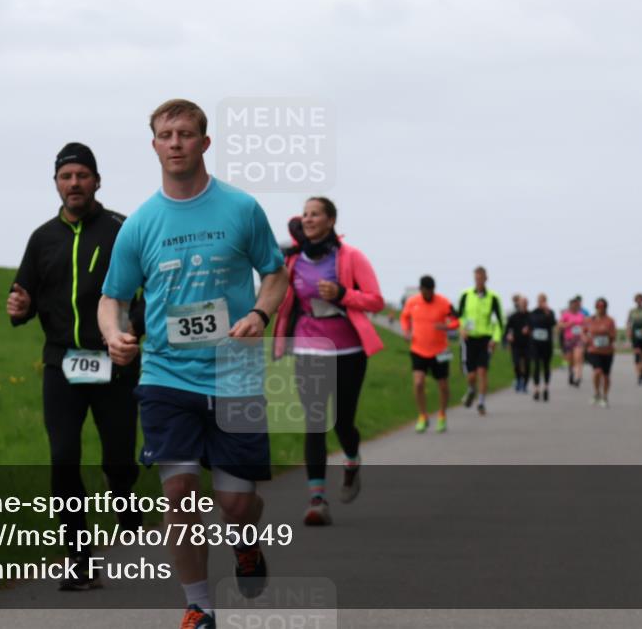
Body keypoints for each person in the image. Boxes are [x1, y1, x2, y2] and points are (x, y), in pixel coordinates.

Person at [98, 99, 288, 629]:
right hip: (165, 375)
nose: (176, 142)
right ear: (154, 145)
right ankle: (198, 605)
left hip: (235, 374)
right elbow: (111, 297)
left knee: (234, 505)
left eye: (186, 133)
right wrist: (113, 334)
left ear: (205, 143)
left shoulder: (241, 208)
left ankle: (246, 549)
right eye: (165, 134)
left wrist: (258, 312)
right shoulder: (140, 223)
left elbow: (275, 274)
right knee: (180, 497)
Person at [7, 142, 143, 591]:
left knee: (119, 458)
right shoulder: (42, 238)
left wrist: (131, 332)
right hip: (62, 363)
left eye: (82, 175)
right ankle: (78, 558)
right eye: (66, 177)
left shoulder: (123, 230)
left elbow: (148, 293)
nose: (74, 183)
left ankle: (124, 496)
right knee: (63, 459)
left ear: (97, 181)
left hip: (115, 362)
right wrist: (19, 306)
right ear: (57, 184)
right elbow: (23, 296)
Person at [273, 200, 384, 526]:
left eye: (315, 214)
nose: (308, 218)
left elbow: (375, 300)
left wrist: (341, 293)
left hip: (349, 350)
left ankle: (351, 461)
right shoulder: (293, 259)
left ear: (331, 220)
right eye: (304, 214)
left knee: (343, 422)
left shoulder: (350, 256)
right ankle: (317, 499)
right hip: (309, 346)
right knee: (315, 421)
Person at [399, 275, 459, 434]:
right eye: (425, 291)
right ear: (421, 290)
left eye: (430, 292)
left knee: (443, 385)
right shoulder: (412, 302)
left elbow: (456, 321)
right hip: (418, 348)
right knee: (418, 383)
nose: (427, 295)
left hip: (441, 350)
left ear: (434, 290)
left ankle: (442, 415)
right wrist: (406, 331)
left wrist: (447, 327)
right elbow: (404, 317)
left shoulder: (444, 302)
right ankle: (422, 416)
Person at [457, 266, 504, 415]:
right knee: (471, 375)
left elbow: (500, 321)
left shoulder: (493, 298)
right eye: (476, 278)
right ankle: (472, 389)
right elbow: (459, 316)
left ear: (486, 279)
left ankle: (481, 402)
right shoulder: (465, 295)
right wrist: (462, 328)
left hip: (485, 338)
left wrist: (495, 338)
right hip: (469, 338)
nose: (478, 281)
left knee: (482, 371)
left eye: (481, 278)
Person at [584, 297, 617, 407]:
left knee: (606, 376)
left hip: (607, 352)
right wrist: (586, 339)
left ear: (605, 308)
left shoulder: (610, 320)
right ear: (596, 307)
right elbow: (583, 331)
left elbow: (613, 336)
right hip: (594, 350)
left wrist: (607, 337)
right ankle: (596, 393)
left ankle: (605, 396)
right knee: (597, 371)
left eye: (602, 306)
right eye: (598, 306)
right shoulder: (590, 319)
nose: (600, 308)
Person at [527, 293, 557, 402]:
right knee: (536, 365)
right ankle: (536, 389)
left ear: (546, 301)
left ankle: (546, 387)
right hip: (535, 343)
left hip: (546, 343)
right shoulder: (533, 313)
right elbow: (529, 325)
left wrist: (547, 312)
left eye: (543, 301)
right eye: (539, 301)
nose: (541, 303)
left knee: (546, 366)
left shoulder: (550, 312)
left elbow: (553, 323)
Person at [504, 296, 532, 393]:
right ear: (518, 304)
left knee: (527, 364)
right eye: (521, 302)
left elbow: (535, 328)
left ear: (527, 304)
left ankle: (525, 384)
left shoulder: (530, 316)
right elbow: (507, 329)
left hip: (528, 344)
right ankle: (519, 379)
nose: (523, 304)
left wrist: (529, 330)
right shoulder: (513, 316)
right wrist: (508, 336)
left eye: (525, 302)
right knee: (516, 363)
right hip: (516, 344)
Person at [559, 297, 587, 387]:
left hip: (578, 339)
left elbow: (585, 326)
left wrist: (584, 335)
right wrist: (568, 324)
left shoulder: (581, 315)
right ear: (570, 305)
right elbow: (560, 325)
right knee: (570, 359)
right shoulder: (566, 315)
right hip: (568, 339)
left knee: (578, 357)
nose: (575, 306)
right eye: (573, 304)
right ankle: (571, 373)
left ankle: (578, 377)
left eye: (576, 304)